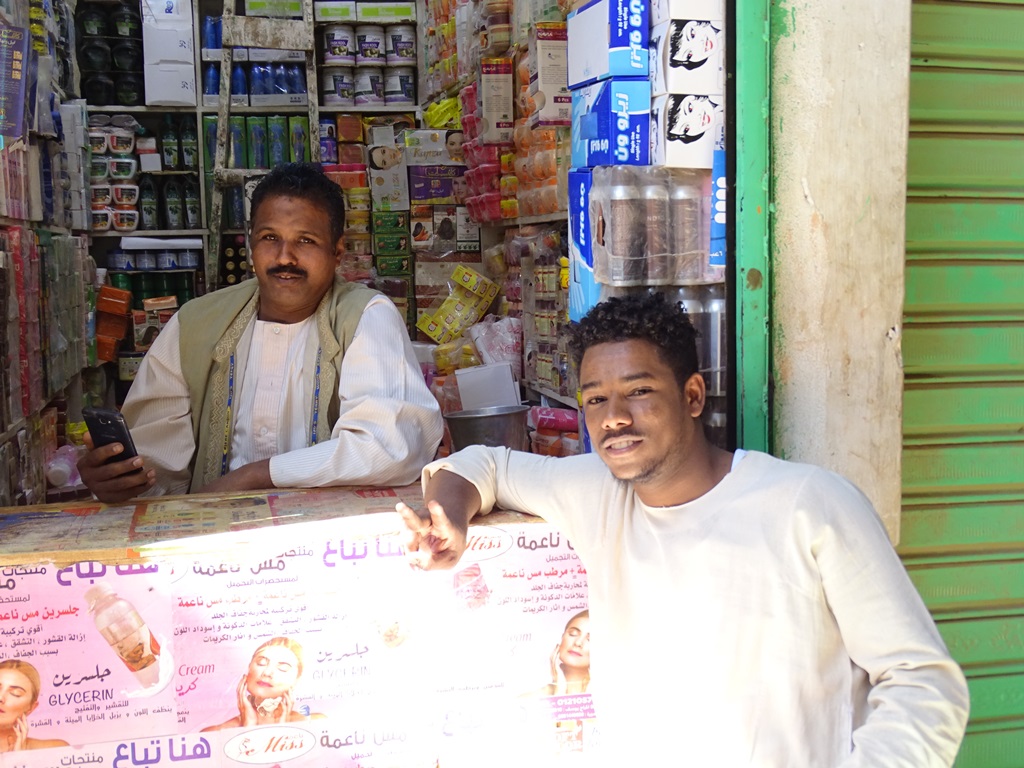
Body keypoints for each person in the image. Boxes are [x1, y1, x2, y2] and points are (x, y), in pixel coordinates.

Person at [397, 292, 970, 766]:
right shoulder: (598, 493)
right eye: (595, 399)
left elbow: (923, 683)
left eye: (638, 391)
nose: (613, 417)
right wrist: (447, 515)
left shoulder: (808, 505)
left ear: (692, 395)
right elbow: (482, 464)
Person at [79, 163, 443, 502]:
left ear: (337, 252)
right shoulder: (196, 323)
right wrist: (120, 480)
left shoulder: (364, 315)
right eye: (270, 237)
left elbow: (389, 446)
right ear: (250, 243)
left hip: (330, 545)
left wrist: (254, 477)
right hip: (216, 545)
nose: (285, 257)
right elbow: (156, 469)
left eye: (305, 241)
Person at [202, 637, 321, 731]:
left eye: (283, 668)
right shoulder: (215, 734)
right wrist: (247, 727)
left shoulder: (315, 725)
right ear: (249, 668)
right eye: (261, 663)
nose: (267, 672)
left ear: (296, 680)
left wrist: (283, 731)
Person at [0, 660, 69, 752]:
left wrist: (19, 761)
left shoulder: (55, 750)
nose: (1, 697)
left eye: (15, 693)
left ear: (31, 708)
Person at [542, 610, 589, 696]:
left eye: (590, 639)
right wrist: (559, 689)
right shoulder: (530, 699)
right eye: (573, 634)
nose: (578, 643)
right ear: (562, 637)